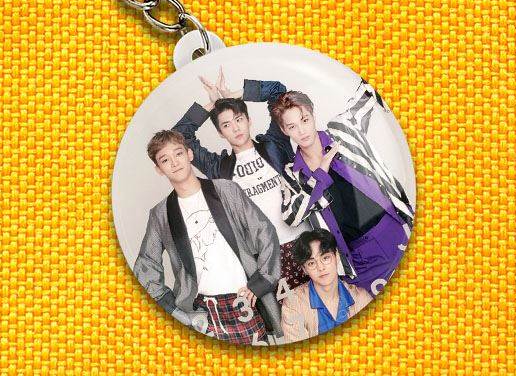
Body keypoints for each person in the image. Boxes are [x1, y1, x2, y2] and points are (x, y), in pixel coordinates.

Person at [132, 129, 282, 345]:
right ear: (159, 169)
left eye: (178, 153)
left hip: (244, 301)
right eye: (165, 160)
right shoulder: (160, 214)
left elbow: (264, 231)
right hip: (200, 312)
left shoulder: (226, 190)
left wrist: (263, 281)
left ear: (189, 154)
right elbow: (146, 265)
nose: (174, 162)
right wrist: (174, 311)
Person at [171, 67, 311, 298]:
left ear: (248, 120)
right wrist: (213, 104)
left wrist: (233, 95)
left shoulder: (274, 145)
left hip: (306, 243)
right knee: (290, 316)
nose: (235, 128)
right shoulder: (219, 168)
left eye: (238, 119)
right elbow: (179, 137)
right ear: (220, 132)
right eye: (226, 125)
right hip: (267, 259)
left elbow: (279, 92)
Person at [271, 79, 415, 296]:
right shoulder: (293, 174)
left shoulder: (341, 130)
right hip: (356, 258)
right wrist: (320, 173)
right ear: (284, 130)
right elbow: (291, 217)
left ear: (312, 114)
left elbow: (370, 93)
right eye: (292, 126)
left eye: (305, 120)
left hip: (394, 230)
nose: (302, 130)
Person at [281, 229, 373, 342]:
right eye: (311, 263)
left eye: (325, 258)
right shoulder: (293, 304)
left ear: (337, 256)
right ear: (304, 269)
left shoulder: (361, 298)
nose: (320, 267)